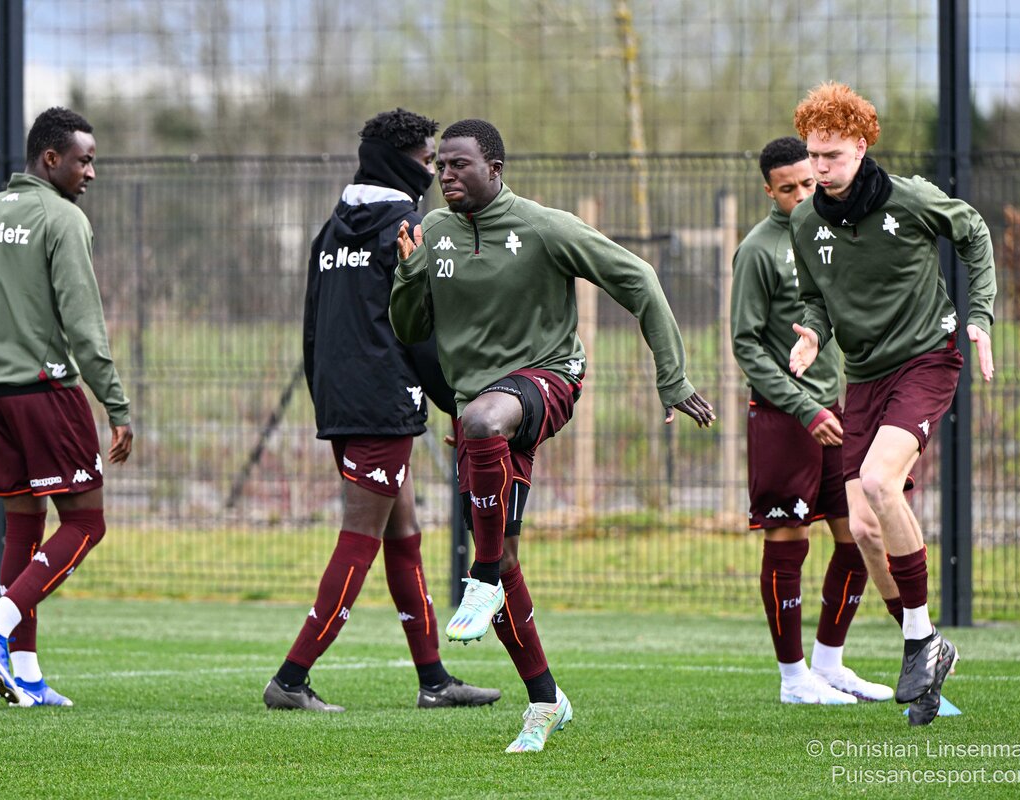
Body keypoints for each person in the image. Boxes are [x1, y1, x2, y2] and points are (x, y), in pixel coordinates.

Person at [390, 119, 715, 752]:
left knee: (483, 435)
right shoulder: (433, 232)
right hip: (478, 405)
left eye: (459, 164)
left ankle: (480, 578)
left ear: (495, 169)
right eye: (440, 166)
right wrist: (408, 273)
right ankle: (545, 700)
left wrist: (672, 378)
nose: (445, 174)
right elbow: (410, 329)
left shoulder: (544, 227)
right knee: (507, 550)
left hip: (548, 378)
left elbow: (640, 280)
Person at [263, 109, 500, 713]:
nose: (434, 172)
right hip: (383, 404)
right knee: (359, 539)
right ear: (401, 162)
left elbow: (311, 326)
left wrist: (326, 398)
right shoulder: (407, 227)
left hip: (344, 403)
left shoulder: (330, 229)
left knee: (404, 536)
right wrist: (456, 402)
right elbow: (421, 332)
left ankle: (434, 681)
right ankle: (290, 679)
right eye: (427, 161)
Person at [787, 82, 996, 725]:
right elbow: (816, 298)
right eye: (813, 155)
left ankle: (919, 646)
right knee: (864, 529)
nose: (820, 167)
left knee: (880, 482)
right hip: (864, 376)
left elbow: (974, 232)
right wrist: (813, 333)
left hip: (926, 360)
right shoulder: (805, 221)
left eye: (832, 155)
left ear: (861, 145)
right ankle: (924, 646)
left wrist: (980, 315)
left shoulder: (910, 199)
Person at [0, 107, 133, 707]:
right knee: (86, 523)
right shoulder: (62, 219)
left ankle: (25, 672)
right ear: (50, 158)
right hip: (44, 391)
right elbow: (84, 325)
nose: (92, 172)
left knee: (25, 524)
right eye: (84, 160)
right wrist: (115, 405)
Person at [731, 136, 894, 706]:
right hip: (784, 417)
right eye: (788, 188)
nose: (802, 195)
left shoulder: (831, 233)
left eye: (808, 182)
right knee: (788, 542)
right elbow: (745, 345)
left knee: (859, 536)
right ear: (768, 190)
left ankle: (829, 663)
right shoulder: (757, 250)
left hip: (837, 410)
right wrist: (805, 407)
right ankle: (793, 678)